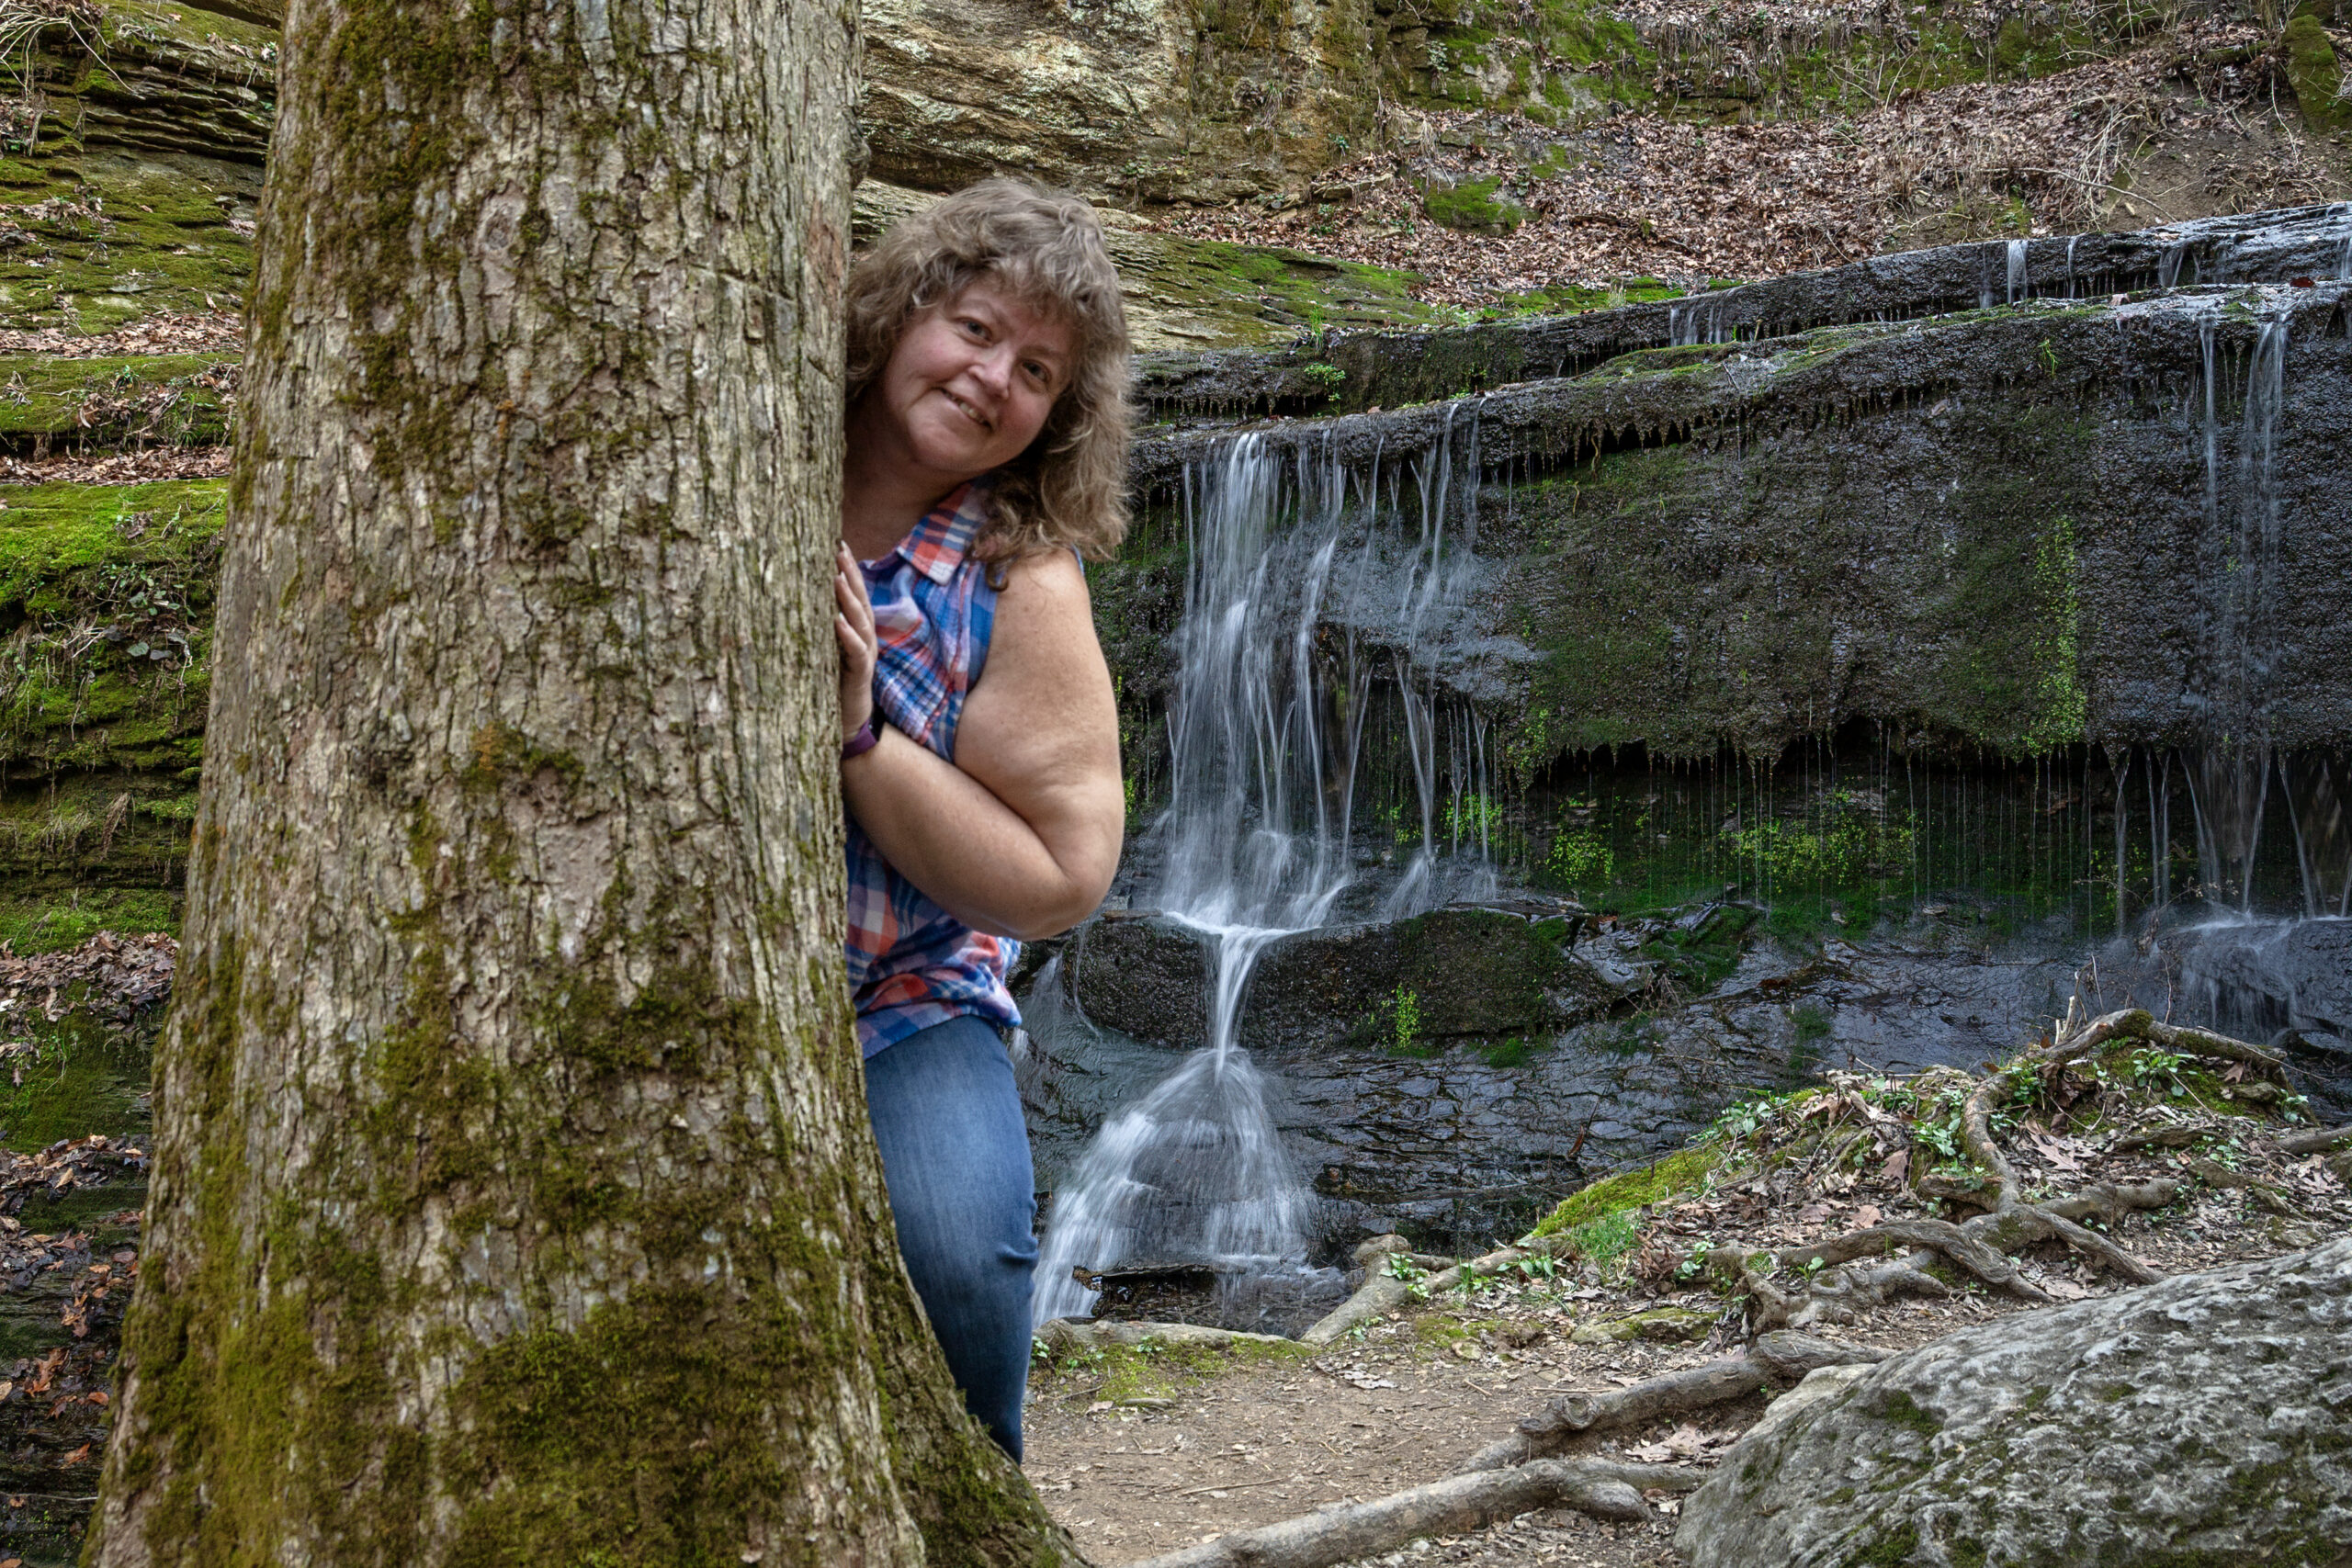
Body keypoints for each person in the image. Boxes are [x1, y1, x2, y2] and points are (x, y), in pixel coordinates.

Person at [831, 179, 1129, 1461]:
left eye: (1037, 369)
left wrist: (855, 735)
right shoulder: (736, 445)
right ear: (899, 314)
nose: (991, 376)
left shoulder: (1018, 572)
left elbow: (1065, 879)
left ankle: (982, 1507)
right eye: (970, 326)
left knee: (963, 1256)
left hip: (902, 993)